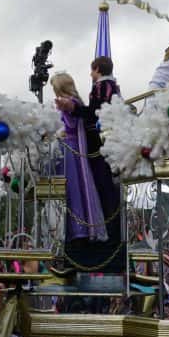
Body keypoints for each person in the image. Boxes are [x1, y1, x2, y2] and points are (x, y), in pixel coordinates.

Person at [54, 57, 124, 272]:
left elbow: (94, 112)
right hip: (73, 152)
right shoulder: (104, 87)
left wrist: (72, 108)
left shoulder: (103, 86)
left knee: (79, 196)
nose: (90, 75)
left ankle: (81, 237)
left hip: (78, 154)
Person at [51, 73, 108, 243]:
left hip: (71, 152)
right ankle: (64, 228)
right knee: (65, 191)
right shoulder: (69, 103)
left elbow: (72, 124)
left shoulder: (72, 103)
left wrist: (66, 109)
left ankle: (78, 229)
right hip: (65, 150)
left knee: (73, 190)